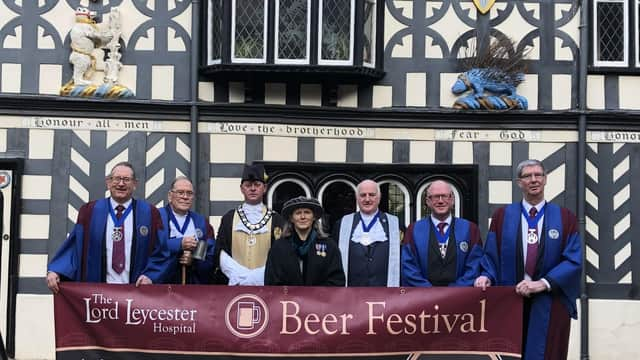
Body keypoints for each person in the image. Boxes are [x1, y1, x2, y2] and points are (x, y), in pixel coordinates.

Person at [476, 159, 581, 360]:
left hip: (549, 299)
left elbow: (573, 259)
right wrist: (486, 275)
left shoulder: (565, 217)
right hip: (509, 297)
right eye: (527, 176)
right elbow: (491, 254)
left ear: (545, 179)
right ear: (519, 182)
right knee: (508, 351)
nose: (534, 180)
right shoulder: (503, 216)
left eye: (538, 175)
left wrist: (542, 284)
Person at [46, 162, 168, 293]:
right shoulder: (89, 212)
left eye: (126, 179)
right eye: (116, 179)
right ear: (108, 182)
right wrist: (57, 270)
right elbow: (75, 246)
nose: (121, 184)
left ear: (135, 184)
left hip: (136, 294)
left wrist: (150, 275)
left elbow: (161, 251)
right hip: (98, 294)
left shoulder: (149, 213)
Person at [401, 179, 484, 286]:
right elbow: (408, 266)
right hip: (423, 298)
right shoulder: (414, 230)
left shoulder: (470, 229)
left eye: (445, 196)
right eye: (436, 196)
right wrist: (430, 292)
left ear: (452, 200)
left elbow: (475, 265)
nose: (440, 201)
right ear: (428, 201)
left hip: (461, 297)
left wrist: (453, 292)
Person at [213, 164, 284, 285]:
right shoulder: (229, 218)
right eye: (248, 185)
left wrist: (259, 276)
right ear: (241, 188)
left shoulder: (277, 219)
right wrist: (239, 275)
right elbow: (220, 251)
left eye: (257, 185)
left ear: (265, 188)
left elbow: (281, 254)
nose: (252, 189)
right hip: (235, 283)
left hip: (266, 285)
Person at [334, 179, 401, 286]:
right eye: (363, 195)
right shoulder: (342, 224)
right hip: (351, 293)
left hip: (385, 294)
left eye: (372, 195)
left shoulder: (395, 224)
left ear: (379, 198)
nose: (367, 199)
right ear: (357, 198)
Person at [265, 196, 345, 286]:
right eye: (298, 213)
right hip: (288, 299)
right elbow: (272, 280)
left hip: (319, 299)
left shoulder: (329, 246)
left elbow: (337, 280)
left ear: (314, 217)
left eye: (307, 212)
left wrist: (314, 296)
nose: (303, 217)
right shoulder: (279, 247)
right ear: (291, 218)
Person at [159, 176, 215, 284]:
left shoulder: (201, 223)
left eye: (189, 193)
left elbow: (210, 253)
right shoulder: (157, 217)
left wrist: (194, 261)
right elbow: (151, 247)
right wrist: (178, 244)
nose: (185, 197)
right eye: (180, 192)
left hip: (191, 289)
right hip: (162, 286)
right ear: (170, 196)